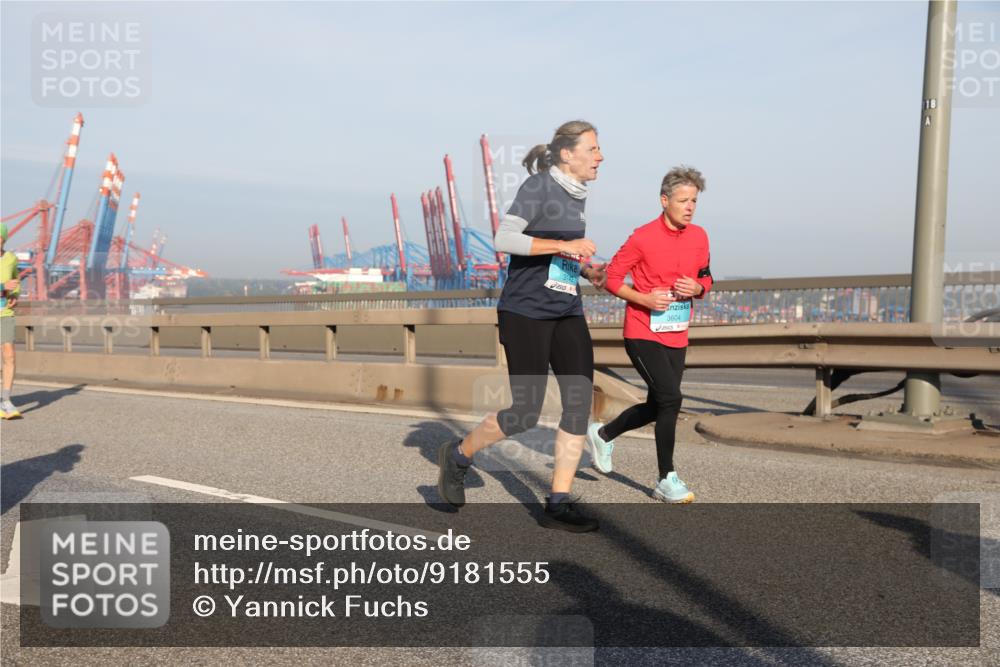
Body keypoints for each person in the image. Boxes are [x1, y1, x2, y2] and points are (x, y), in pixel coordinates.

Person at [437, 120, 606, 532]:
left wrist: (586, 270)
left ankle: (558, 503)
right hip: (526, 311)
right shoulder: (539, 188)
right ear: (567, 154)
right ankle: (458, 455)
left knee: (579, 404)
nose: (600, 156)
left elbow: (553, 255)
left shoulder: (575, 195)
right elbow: (503, 239)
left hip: (566, 310)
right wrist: (565, 245)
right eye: (594, 148)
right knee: (526, 412)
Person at [586, 166, 712, 503]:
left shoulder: (699, 236)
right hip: (642, 332)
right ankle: (666, 479)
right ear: (664, 200)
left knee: (660, 404)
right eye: (683, 200)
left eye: (694, 201)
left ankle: (604, 433)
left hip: (676, 333)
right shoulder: (642, 237)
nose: (689, 207)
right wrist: (644, 298)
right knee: (672, 399)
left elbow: (707, 277)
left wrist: (698, 287)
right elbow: (611, 278)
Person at [1, 222, 22, 420]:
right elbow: (5, 283)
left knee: (10, 355)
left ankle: (5, 400)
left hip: (4, 313)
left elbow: (16, 279)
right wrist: (2, 286)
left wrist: (15, 293)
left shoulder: (11, 259)